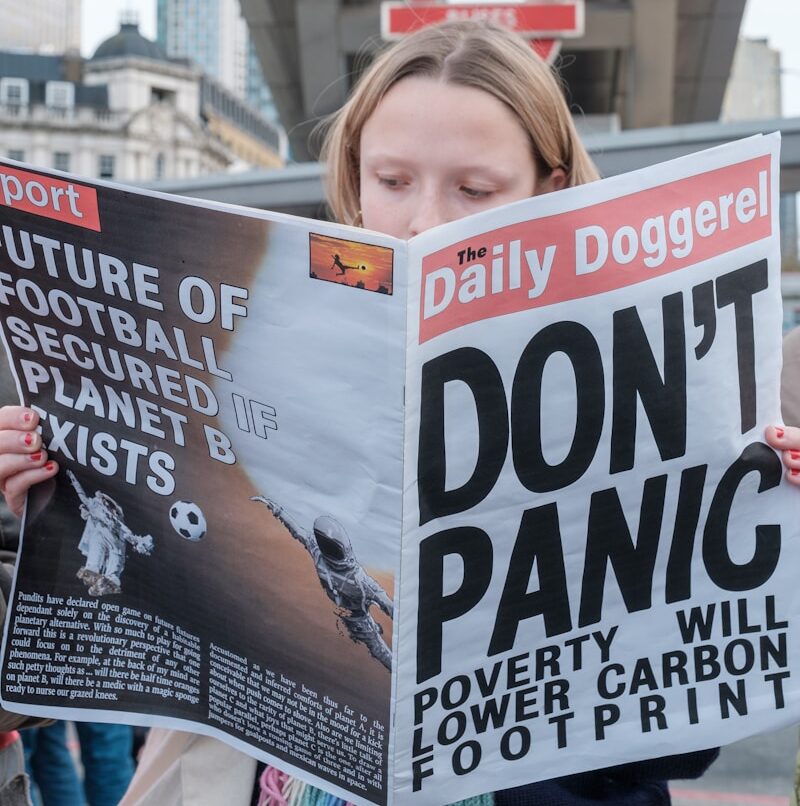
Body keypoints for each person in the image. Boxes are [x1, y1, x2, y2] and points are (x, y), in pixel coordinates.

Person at [0, 19, 799, 806]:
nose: (426, 221)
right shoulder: (259, 352)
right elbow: (161, 622)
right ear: (352, 176)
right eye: (392, 181)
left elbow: (683, 736)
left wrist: (759, 530)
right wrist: (55, 494)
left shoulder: (655, 388)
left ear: (549, 192)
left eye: (475, 189)